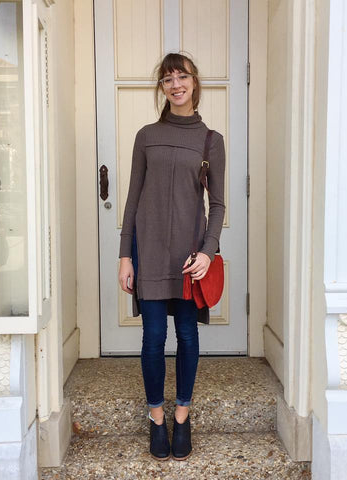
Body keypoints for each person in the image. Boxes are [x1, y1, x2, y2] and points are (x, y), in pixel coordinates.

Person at [118, 52, 226, 461]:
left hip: (188, 258)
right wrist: (125, 255)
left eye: (182, 76)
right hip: (148, 252)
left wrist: (208, 252)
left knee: (186, 335)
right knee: (152, 338)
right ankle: (156, 417)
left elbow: (218, 204)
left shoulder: (211, 141)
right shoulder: (146, 136)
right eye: (168, 79)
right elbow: (132, 198)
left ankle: (182, 415)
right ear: (162, 87)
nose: (176, 84)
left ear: (195, 82)